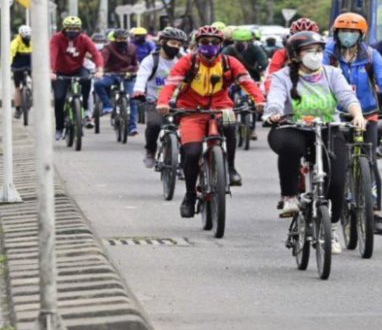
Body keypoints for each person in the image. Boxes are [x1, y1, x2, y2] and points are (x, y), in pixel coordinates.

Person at [265, 30, 366, 255]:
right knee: (291, 146)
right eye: (309, 51)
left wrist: (357, 114)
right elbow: (275, 99)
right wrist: (274, 113)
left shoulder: (332, 73)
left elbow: (347, 97)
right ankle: (290, 196)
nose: (315, 55)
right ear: (295, 55)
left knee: (338, 179)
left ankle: (332, 227)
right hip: (293, 127)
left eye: (319, 51)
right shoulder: (282, 76)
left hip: (328, 129)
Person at [156, 25, 264, 218]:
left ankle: (230, 167)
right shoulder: (187, 62)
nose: (209, 46)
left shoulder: (229, 62)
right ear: (197, 44)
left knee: (231, 124)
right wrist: (163, 102)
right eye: (204, 42)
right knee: (192, 152)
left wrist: (259, 100)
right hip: (191, 111)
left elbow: (247, 82)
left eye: (214, 42)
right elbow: (171, 84)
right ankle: (190, 195)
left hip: (223, 107)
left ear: (221, 44)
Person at [324, 12, 382, 235]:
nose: (347, 35)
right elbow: (318, 79)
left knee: (369, 162)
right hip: (336, 116)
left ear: (361, 34)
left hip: (367, 114)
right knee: (335, 164)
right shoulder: (327, 54)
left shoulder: (371, 55)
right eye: (343, 31)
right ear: (336, 33)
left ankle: (374, 210)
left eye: (352, 31)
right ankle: (328, 206)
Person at [133, 27, 189, 168]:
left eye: (179, 44)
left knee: (187, 130)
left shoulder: (184, 59)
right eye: (172, 43)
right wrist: (139, 90)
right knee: (154, 125)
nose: (176, 47)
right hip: (155, 101)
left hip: (179, 101)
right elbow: (142, 75)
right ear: (163, 42)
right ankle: (150, 151)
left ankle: (186, 162)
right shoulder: (151, 59)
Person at [50, 16, 104, 140]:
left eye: (75, 28)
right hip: (60, 72)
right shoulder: (57, 38)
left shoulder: (84, 39)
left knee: (87, 80)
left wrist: (99, 69)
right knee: (59, 99)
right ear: (64, 28)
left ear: (79, 29)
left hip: (78, 69)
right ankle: (59, 128)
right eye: (69, 28)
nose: (72, 31)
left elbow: (96, 54)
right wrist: (50, 71)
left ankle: (85, 111)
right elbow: (52, 54)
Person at [94, 29, 140, 136]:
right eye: (120, 39)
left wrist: (132, 71)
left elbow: (135, 64)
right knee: (98, 84)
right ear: (115, 39)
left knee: (133, 100)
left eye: (125, 39)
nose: (122, 41)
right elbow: (103, 60)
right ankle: (107, 105)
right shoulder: (108, 48)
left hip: (128, 76)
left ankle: (132, 127)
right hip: (112, 74)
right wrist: (100, 70)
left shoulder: (132, 48)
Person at [263, 18, 320, 100]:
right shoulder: (281, 54)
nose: (304, 44)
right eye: (299, 40)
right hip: (287, 96)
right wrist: (272, 94)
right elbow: (271, 76)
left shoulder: (322, 54)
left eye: (309, 40)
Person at [10, 25, 32, 119]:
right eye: (24, 35)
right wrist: (9, 65)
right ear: (20, 34)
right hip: (17, 66)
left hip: (31, 65)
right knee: (17, 87)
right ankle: (18, 109)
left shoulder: (33, 41)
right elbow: (10, 54)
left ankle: (32, 96)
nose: (26, 37)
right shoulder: (15, 42)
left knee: (38, 82)